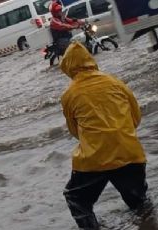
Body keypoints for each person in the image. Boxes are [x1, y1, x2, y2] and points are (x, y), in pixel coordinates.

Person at [60, 42, 148, 229]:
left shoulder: (69, 94)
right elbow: (136, 117)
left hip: (94, 159)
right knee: (139, 202)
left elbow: (74, 131)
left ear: (67, 66)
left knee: (77, 199)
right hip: (130, 153)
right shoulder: (115, 82)